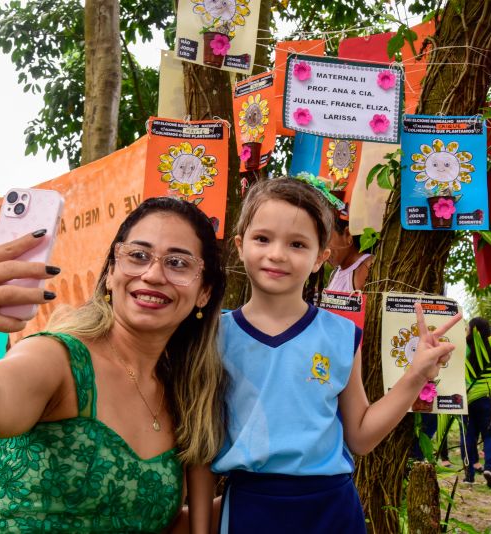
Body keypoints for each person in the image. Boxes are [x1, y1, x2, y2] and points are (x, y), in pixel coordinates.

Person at [0, 197, 227, 532]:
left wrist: (278, 496)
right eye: (138, 256)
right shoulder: (59, 358)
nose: (153, 274)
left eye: (178, 263)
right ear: (111, 272)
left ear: (204, 292)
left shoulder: (183, 395)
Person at [195, 177, 461, 533]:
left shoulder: (340, 335)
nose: (277, 253)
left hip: (332, 509)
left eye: (297, 244)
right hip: (250, 507)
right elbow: (199, 451)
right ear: (240, 246)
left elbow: (361, 437)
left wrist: (415, 376)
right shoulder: (214, 337)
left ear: (320, 257)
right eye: (263, 238)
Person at [460, 317, 491, 488]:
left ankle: (469, 475)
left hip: (468, 397)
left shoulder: (464, 348)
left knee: (468, 435)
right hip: (488, 397)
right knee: (490, 435)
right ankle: (489, 468)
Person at [325, 218, 374, 292]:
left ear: (348, 235)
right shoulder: (335, 273)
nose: (323, 249)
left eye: (326, 239)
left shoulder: (367, 266)